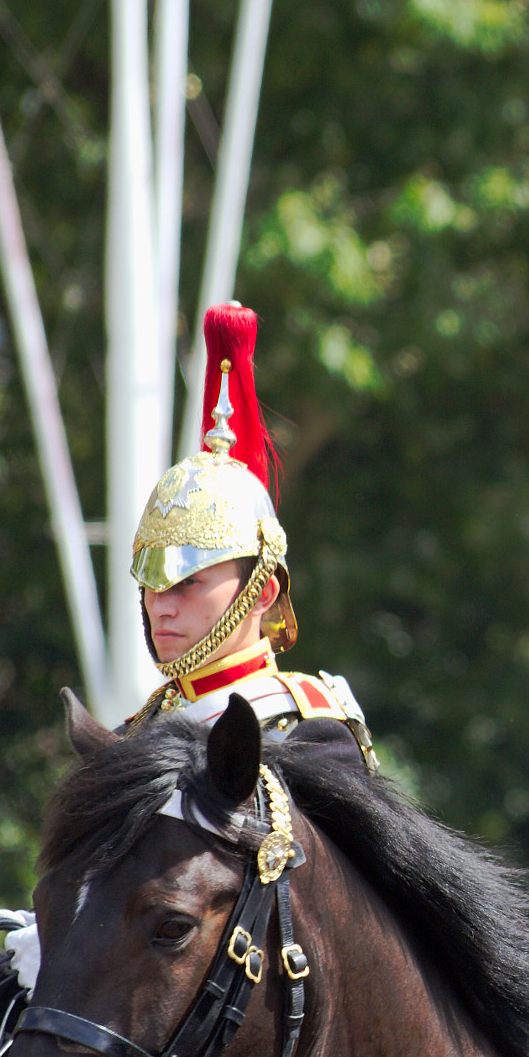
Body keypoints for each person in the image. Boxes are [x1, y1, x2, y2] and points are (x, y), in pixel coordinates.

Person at [123, 302, 376, 770]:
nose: (161, 604)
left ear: (261, 591)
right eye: (152, 584)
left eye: (187, 581)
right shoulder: (131, 738)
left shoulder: (314, 734)